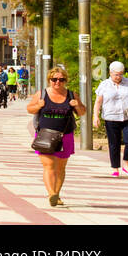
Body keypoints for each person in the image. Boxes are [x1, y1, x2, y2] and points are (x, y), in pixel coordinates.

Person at [26, 66, 86, 206]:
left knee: (60, 167)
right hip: (45, 135)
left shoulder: (71, 95)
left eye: (61, 79)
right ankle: (51, 193)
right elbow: (30, 109)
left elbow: (82, 112)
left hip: (65, 135)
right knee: (49, 165)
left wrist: (77, 105)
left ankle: (56, 194)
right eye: (54, 79)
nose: (57, 82)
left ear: (65, 80)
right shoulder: (42, 94)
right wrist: (38, 106)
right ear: (49, 80)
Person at [94, 61, 128, 177]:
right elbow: (98, 102)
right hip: (111, 117)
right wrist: (96, 116)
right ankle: (115, 168)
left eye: (120, 74)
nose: (118, 77)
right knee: (114, 144)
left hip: (127, 116)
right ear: (110, 73)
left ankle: (126, 165)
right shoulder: (104, 85)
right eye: (116, 74)